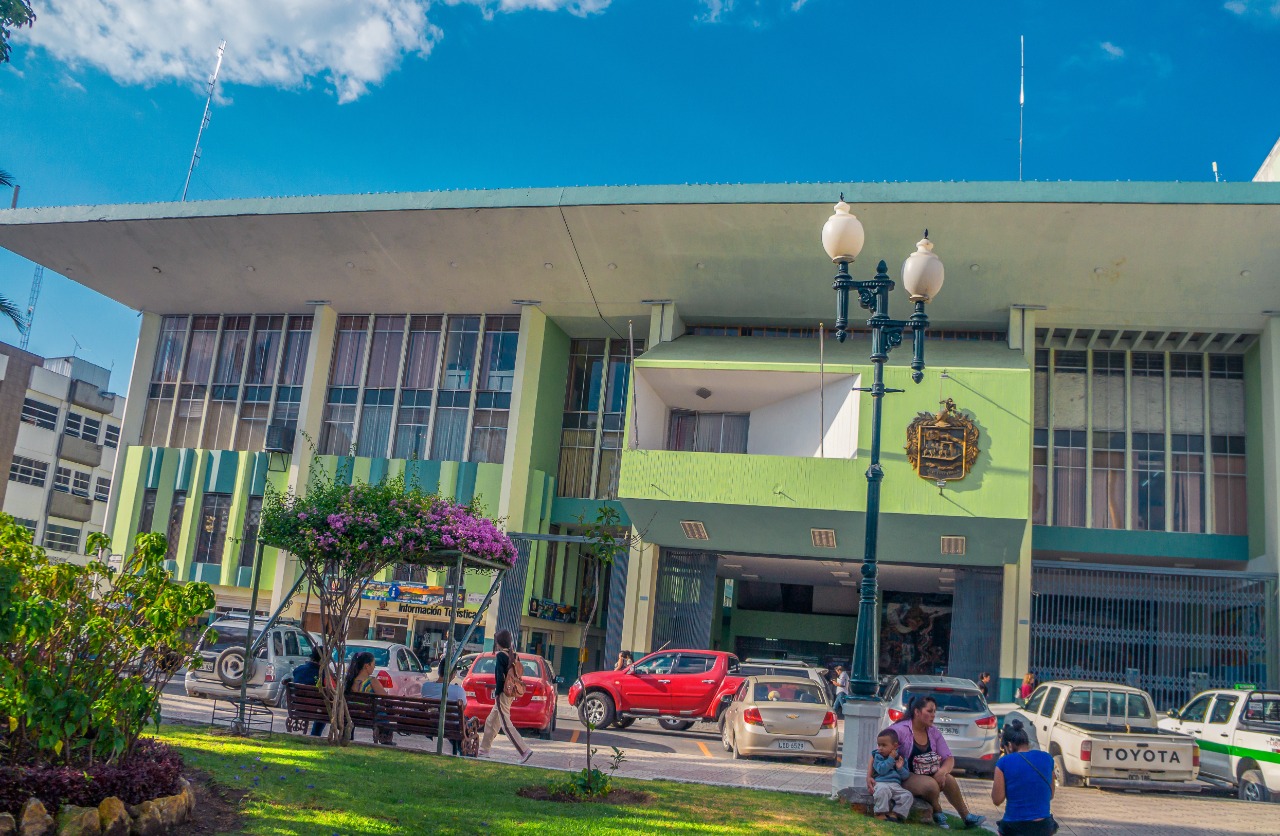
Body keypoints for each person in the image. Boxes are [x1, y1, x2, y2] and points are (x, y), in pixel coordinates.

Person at [890, 695, 986, 830]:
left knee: (950, 779)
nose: (933, 715)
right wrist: (871, 775)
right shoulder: (900, 729)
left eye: (934, 711)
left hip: (929, 773)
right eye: (929, 711)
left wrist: (942, 771)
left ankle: (966, 816)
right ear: (917, 712)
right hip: (905, 775)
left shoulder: (933, 732)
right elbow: (880, 750)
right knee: (931, 786)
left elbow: (949, 758)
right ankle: (938, 811)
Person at [991, 718, 1056, 835]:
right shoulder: (1047, 758)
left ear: (1009, 745)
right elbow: (1050, 794)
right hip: (1044, 827)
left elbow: (997, 800)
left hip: (1015, 826)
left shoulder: (1004, 762)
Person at [478, 629, 532, 763]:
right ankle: (483, 750)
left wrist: (496, 694)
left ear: (498, 642)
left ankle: (524, 750)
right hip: (510, 693)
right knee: (491, 722)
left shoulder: (500, 656)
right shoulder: (514, 655)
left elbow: (499, 678)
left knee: (505, 724)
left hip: (502, 693)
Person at [421, 658, 469, 755]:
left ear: (439, 671)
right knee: (468, 722)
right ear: (454, 673)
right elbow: (463, 708)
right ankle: (463, 750)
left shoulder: (426, 686)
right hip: (452, 726)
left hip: (431, 723)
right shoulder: (458, 690)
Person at [866, 728, 914, 823]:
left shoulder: (900, 758)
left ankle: (895, 814)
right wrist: (890, 759)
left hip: (895, 784)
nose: (880, 748)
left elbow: (905, 776)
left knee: (907, 795)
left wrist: (900, 768)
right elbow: (881, 770)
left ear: (895, 746)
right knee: (883, 791)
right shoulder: (878, 756)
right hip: (880, 782)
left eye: (884, 745)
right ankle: (880, 813)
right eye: (879, 745)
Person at [344, 650, 392, 744]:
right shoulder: (372, 681)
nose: (374, 667)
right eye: (373, 664)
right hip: (368, 716)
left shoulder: (349, 681)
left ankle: (348, 736)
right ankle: (385, 740)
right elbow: (386, 698)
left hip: (349, 714)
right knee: (382, 714)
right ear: (367, 666)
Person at [291, 649, 327, 737]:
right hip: (316, 709)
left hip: (298, 706)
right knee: (325, 711)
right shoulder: (323, 674)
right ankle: (315, 734)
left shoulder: (298, 669)